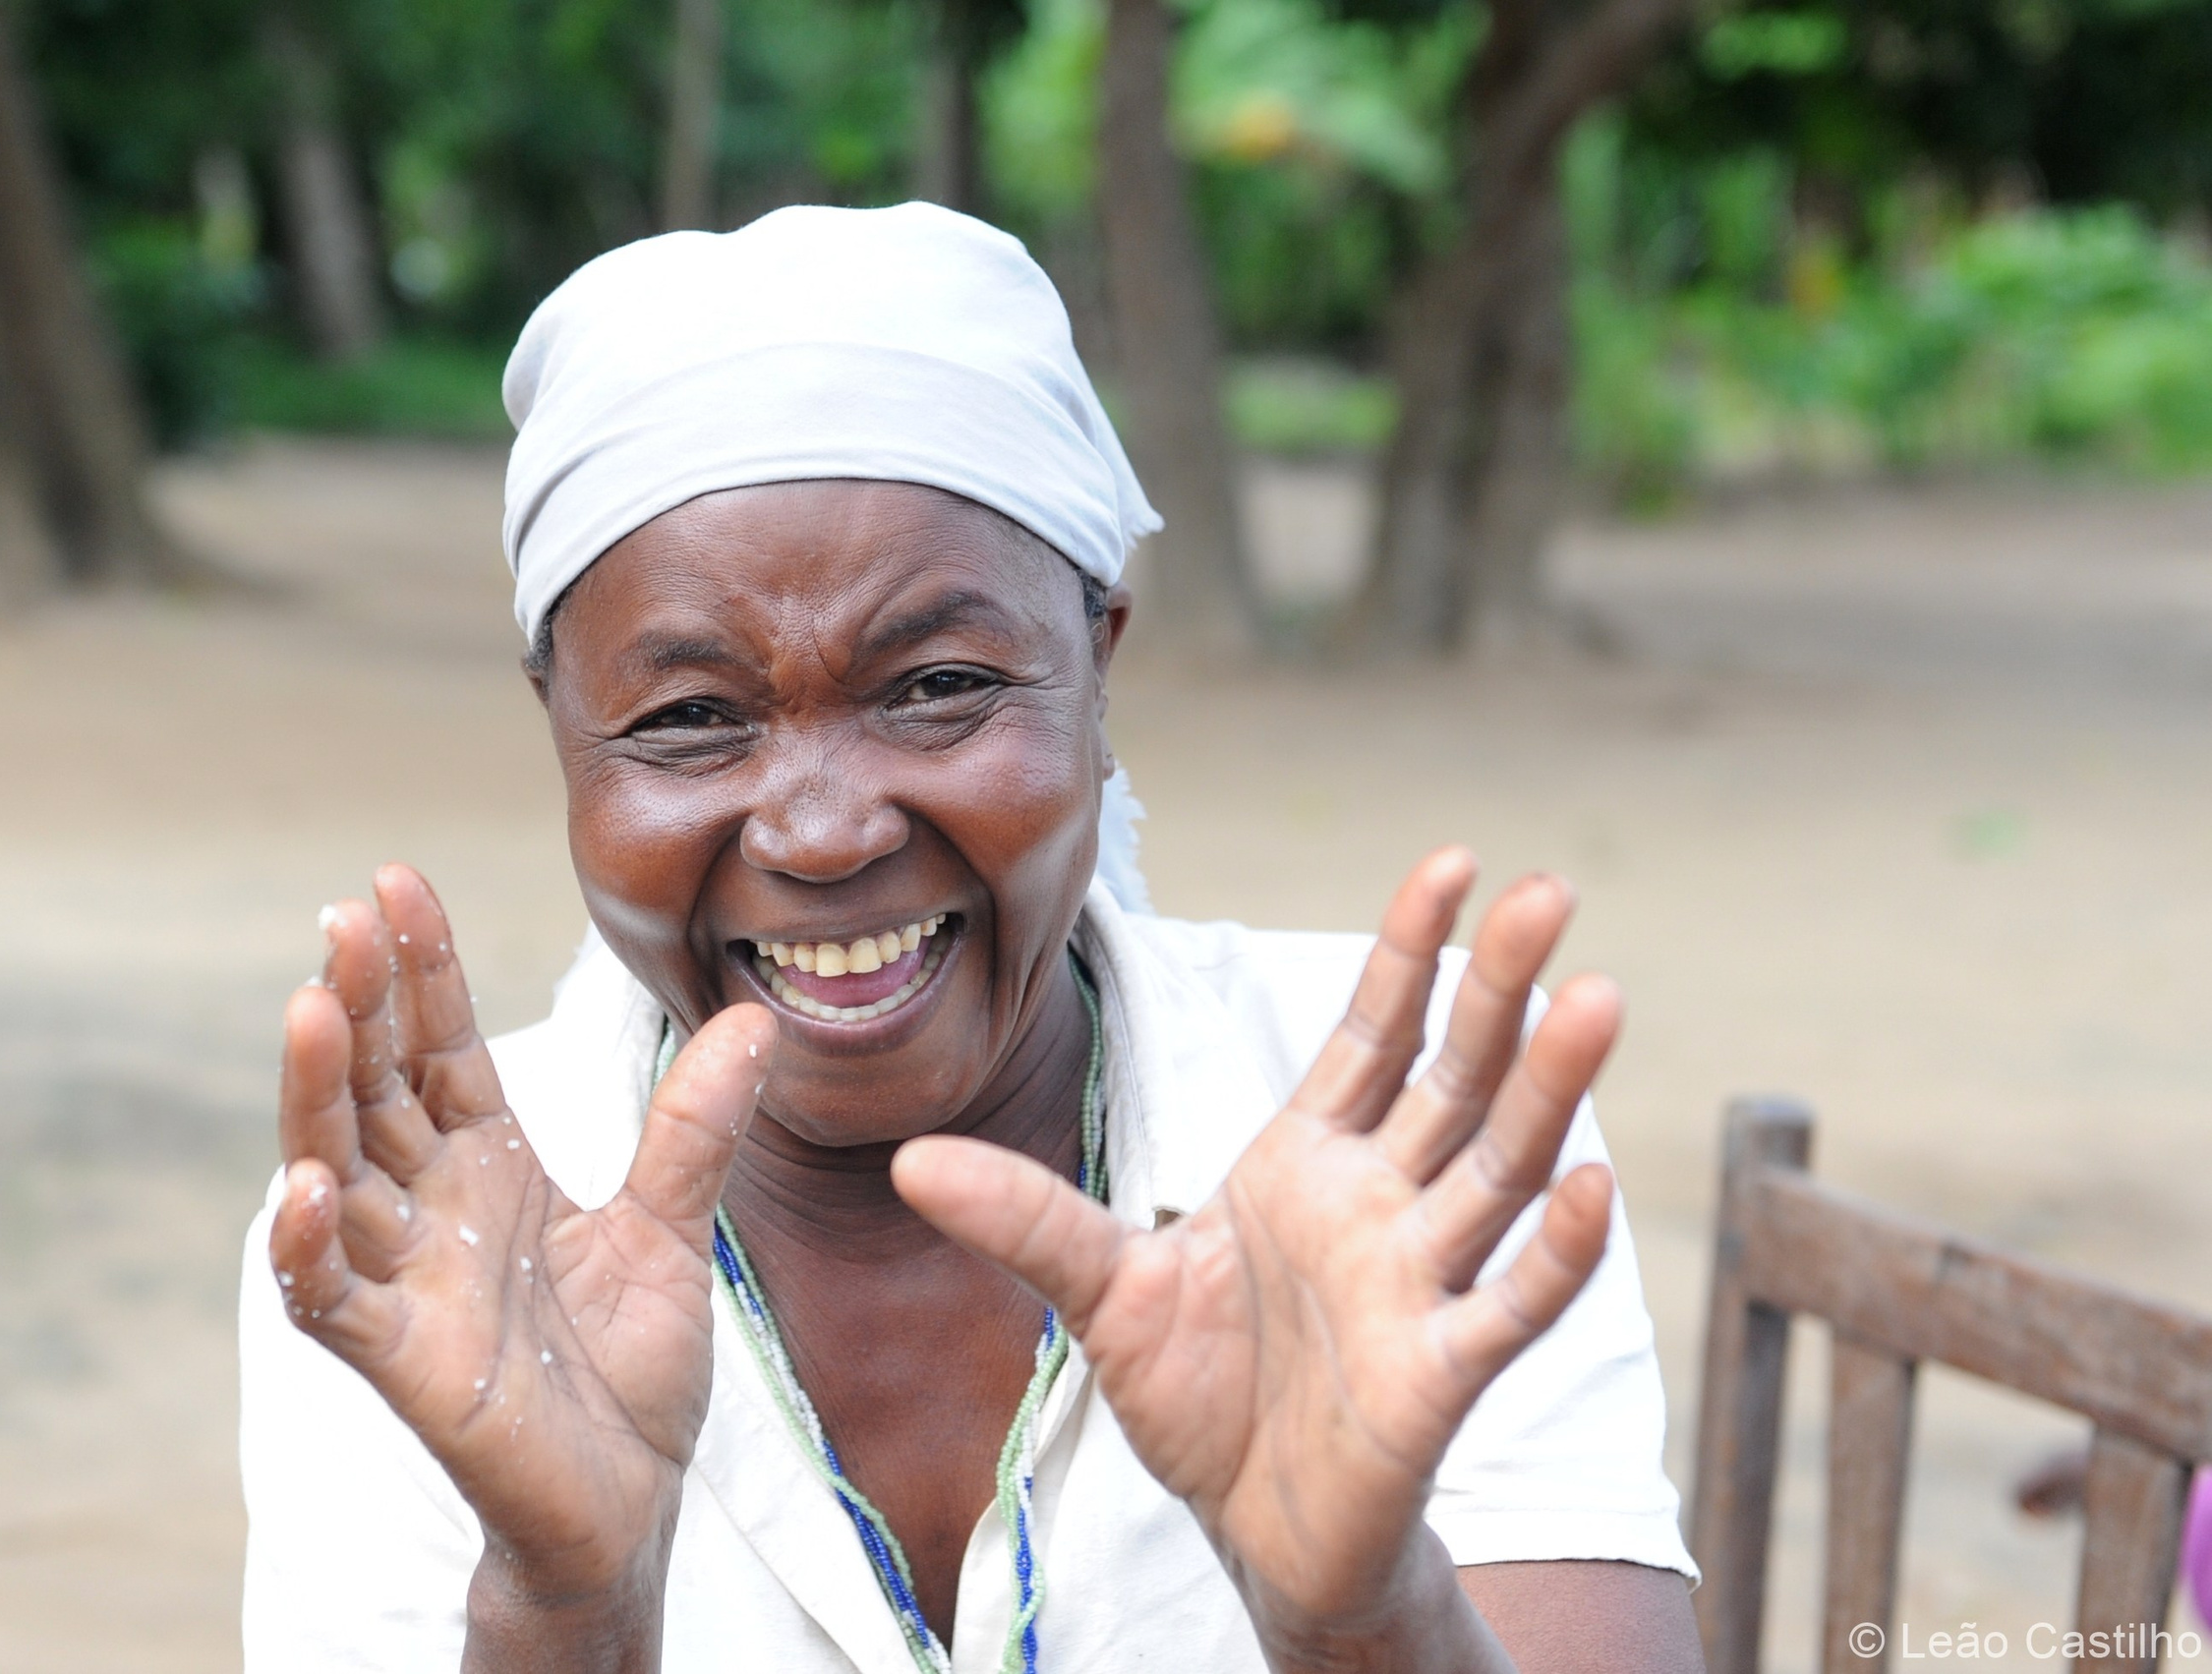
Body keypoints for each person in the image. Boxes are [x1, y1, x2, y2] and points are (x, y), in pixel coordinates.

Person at [240, 203, 1704, 1674]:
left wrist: (1365, 1613)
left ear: (1097, 666)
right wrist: (566, 1605)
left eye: (938, 686)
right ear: (561, 726)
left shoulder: (1403, 1127)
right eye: (690, 717)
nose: (822, 831)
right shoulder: (434, 1240)